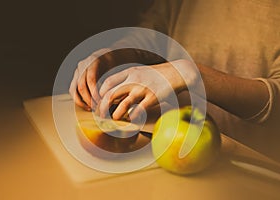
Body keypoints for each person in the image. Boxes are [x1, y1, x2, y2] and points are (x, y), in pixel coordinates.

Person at [69, 0, 280, 160]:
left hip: (254, 170)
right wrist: (112, 56)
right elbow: (151, 35)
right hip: (171, 154)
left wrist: (192, 74)